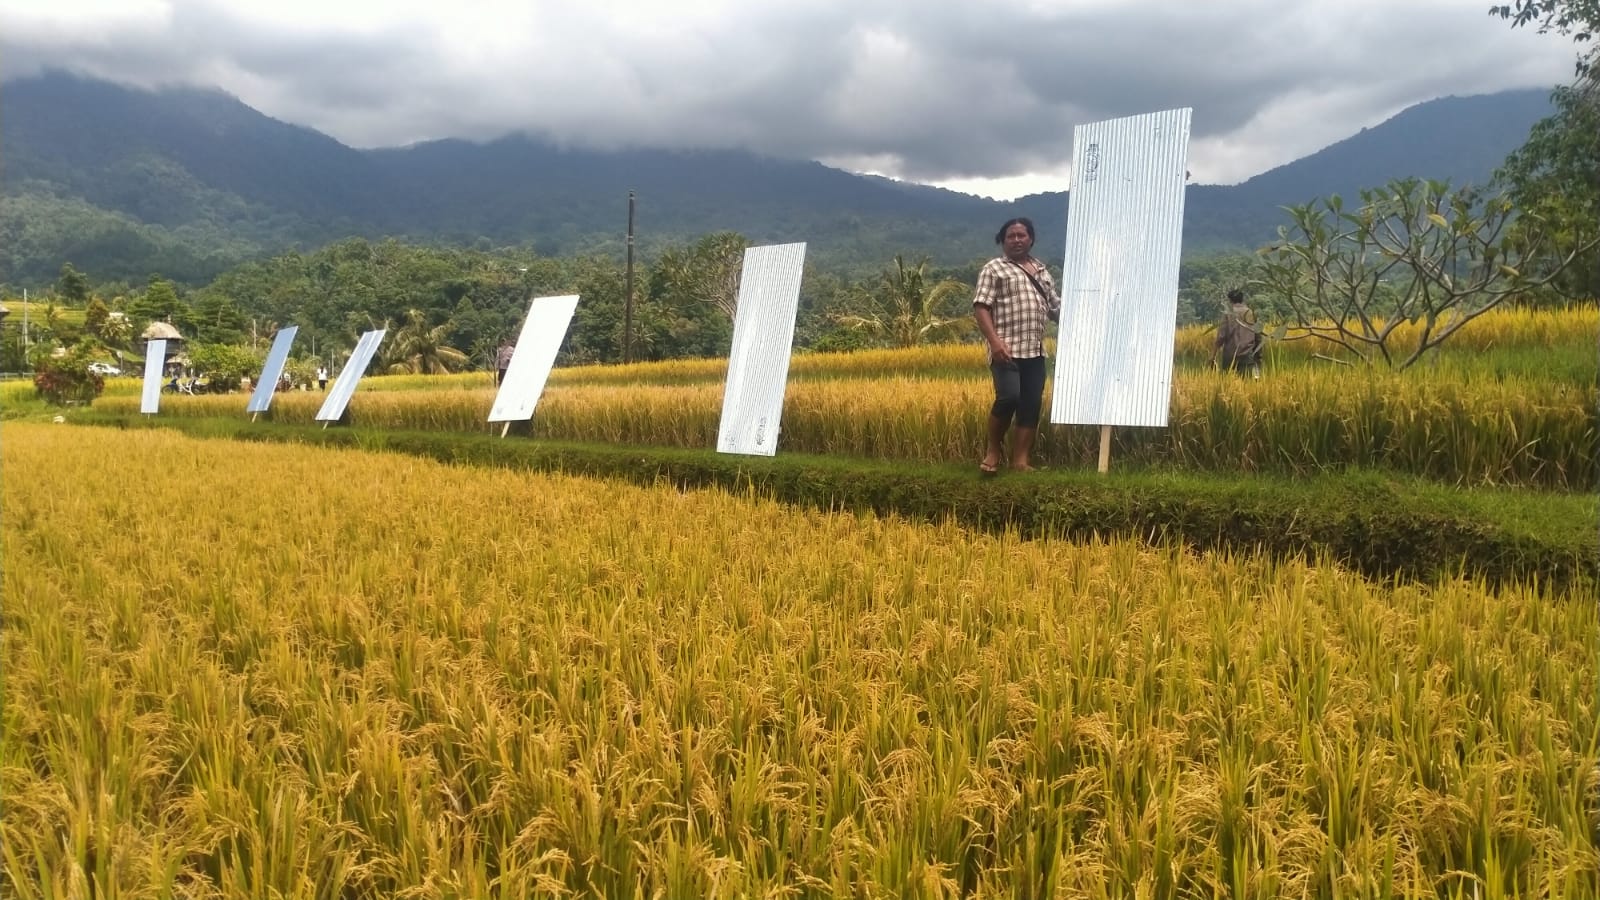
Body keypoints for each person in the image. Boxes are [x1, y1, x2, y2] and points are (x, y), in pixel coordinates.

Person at [973, 216, 1060, 475]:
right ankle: (993, 450)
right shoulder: (994, 269)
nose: (1017, 240)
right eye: (1011, 236)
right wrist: (995, 342)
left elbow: (1056, 307)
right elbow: (981, 307)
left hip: (1035, 350)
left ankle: (1020, 461)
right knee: (1009, 397)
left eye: (1022, 235)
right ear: (1003, 240)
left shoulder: (1042, 271)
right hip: (1006, 349)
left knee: (1031, 404)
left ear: (1031, 239)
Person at [1213, 288, 1262, 378]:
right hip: (1247, 353)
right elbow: (1258, 337)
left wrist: (1213, 356)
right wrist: (1258, 356)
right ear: (1242, 299)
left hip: (1230, 355)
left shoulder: (1228, 314)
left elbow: (1221, 337)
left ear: (1230, 300)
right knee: (1247, 385)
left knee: (1228, 384)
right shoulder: (1251, 313)